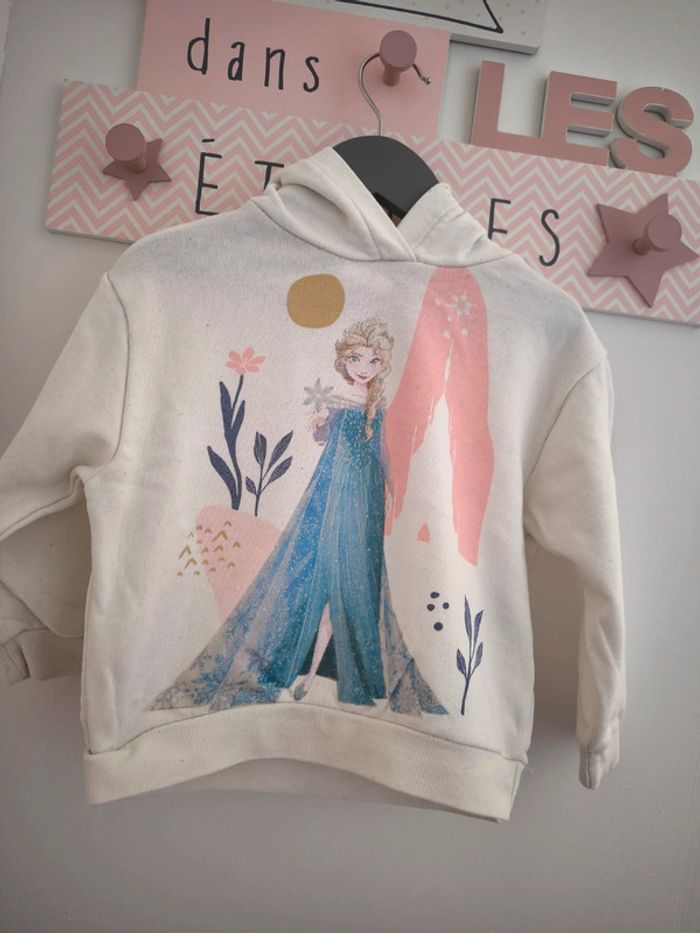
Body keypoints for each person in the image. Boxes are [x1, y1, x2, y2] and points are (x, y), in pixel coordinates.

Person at [148, 315, 448, 718]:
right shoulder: (340, 401)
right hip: (333, 493)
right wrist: (318, 424)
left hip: (366, 497)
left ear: (382, 364)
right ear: (344, 361)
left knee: (359, 574)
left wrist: (391, 487)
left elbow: (382, 451)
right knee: (322, 569)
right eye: (356, 359)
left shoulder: (377, 406)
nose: (364, 367)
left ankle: (335, 668)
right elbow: (324, 438)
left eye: (373, 360)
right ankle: (309, 668)